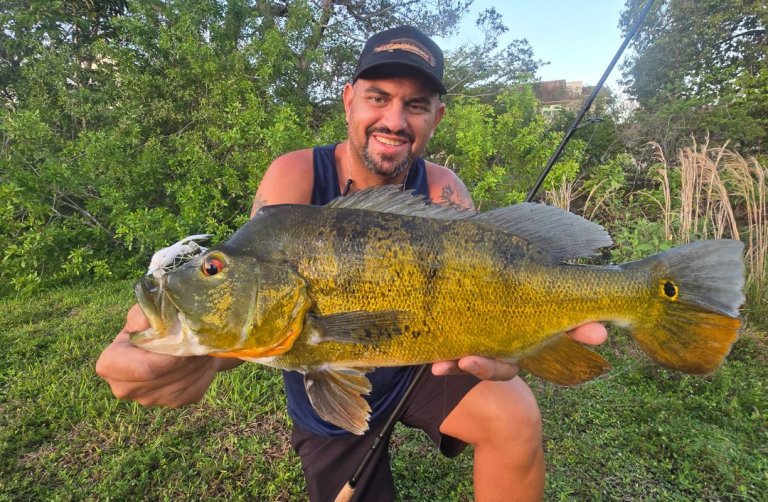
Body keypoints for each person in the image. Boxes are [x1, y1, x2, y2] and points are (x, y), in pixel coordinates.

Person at [97, 26, 608, 502]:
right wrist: (203, 357)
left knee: (514, 417)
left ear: (437, 116)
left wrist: (513, 341)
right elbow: (262, 318)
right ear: (348, 99)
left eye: (416, 104)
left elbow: (481, 296)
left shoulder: (443, 190)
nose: (394, 120)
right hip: (324, 375)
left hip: (422, 362)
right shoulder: (294, 178)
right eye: (378, 97)